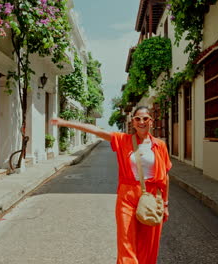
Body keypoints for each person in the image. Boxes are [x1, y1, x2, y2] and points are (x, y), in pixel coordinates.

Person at [50, 106, 172, 264]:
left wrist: (166, 203)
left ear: (151, 121)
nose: (141, 122)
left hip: (152, 196)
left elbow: (166, 176)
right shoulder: (123, 140)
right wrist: (65, 122)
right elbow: (96, 131)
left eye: (145, 118)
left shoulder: (160, 146)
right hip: (127, 196)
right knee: (126, 243)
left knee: (149, 244)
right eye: (137, 119)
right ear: (133, 122)